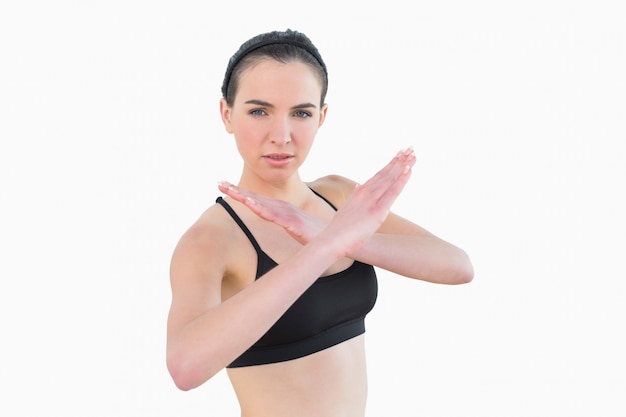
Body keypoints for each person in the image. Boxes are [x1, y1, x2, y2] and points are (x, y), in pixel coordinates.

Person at [166, 28, 474, 416]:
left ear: (322, 116)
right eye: (259, 111)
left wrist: (341, 238)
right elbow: (185, 368)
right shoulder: (211, 239)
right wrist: (324, 246)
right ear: (227, 114)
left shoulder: (340, 196)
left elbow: (459, 267)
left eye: (301, 113)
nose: (281, 136)